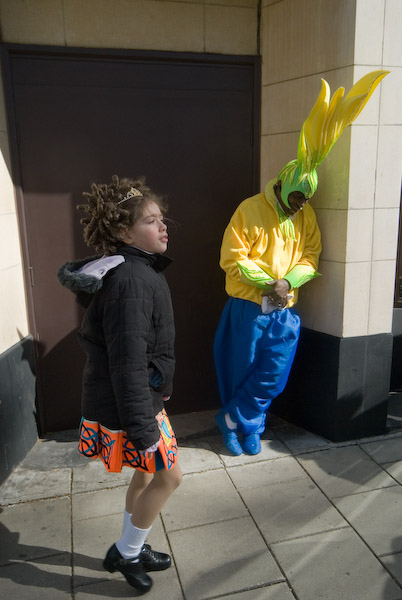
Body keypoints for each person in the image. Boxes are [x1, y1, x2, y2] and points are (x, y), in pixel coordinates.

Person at [214, 69, 389, 456]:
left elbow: (312, 255)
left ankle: (232, 417)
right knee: (240, 369)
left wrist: (289, 282)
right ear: (282, 185)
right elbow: (232, 258)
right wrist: (268, 281)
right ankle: (246, 428)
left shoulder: (304, 216)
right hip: (247, 309)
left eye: (306, 200)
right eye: (296, 199)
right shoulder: (249, 209)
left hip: (284, 311)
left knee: (274, 376)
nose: (300, 207)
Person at [58, 175, 182, 595]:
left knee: (147, 477)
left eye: (162, 219)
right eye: (151, 220)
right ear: (123, 232)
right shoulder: (131, 281)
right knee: (168, 476)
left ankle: (134, 543)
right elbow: (127, 364)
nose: (163, 227)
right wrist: (145, 431)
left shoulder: (138, 271)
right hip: (132, 403)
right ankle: (126, 552)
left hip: (142, 398)